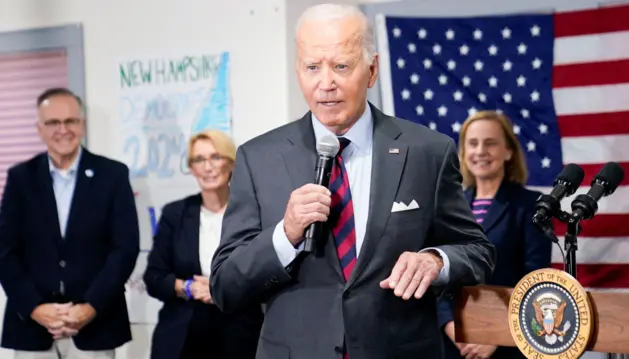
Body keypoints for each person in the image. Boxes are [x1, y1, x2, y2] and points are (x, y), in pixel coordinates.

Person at [208, 4, 496, 359]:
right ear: (298, 70)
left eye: (341, 66)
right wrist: (285, 234)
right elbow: (225, 286)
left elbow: (477, 251)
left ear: (372, 70)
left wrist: (437, 261)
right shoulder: (258, 158)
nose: (325, 83)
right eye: (312, 67)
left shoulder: (428, 152)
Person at [0, 88, 140, 359]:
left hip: (95, 327)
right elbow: (5, 251)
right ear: (39, 129)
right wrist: (34, 308)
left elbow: (125, 248)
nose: (62, 129)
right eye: (53, 122)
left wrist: (90, 307)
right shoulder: (20, 179)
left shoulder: (113, 175)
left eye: (70, 121)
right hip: (32, 328)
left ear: (83, 125)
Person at [437, 111, 552, 359]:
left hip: (510, 345)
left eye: (490, 143)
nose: (480, 151)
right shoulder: (448, 207)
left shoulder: (532, 206)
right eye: (473, 143)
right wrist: (452, 327)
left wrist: (499, 334)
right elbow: (439, 275)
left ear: (508, 151)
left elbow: (535, 281)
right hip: (455, 345)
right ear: (464, 152)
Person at [143, 130, 263, 359]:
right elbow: (154, 277)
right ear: (192, 168)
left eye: (215, 157)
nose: (208, 167)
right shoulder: (175, 214)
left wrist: (221, 288)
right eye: (199, 159)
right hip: (183, 333)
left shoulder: (253, 212)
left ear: (231, 163)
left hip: (240, 330)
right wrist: (188, 288)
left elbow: (264, 275)